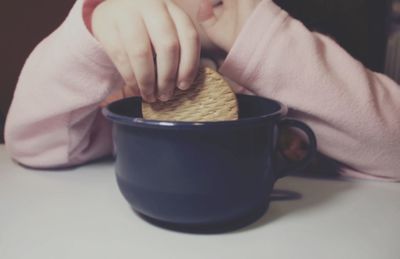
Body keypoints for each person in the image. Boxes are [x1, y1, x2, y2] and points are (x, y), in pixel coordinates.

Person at [4, 0, 400, 181]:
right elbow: (34, 145)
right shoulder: (131, 88)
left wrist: (263, 34)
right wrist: (95, 31)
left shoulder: (292, 68)